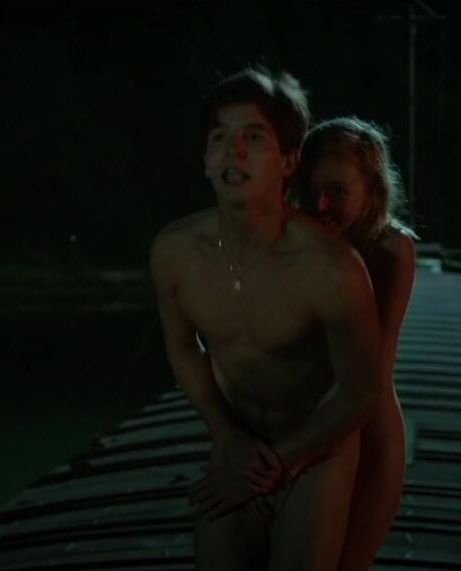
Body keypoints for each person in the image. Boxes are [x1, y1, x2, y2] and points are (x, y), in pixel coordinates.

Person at [149, 67, 385, 570]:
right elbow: (182, 346)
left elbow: (361, 392)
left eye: (254, 138)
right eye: (220, 138)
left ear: (288, 161)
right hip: (238, 440)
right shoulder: (174, 253)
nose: (234, 152)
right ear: (205, 160)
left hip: (317, 447)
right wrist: (224, 435)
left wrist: (283, 460)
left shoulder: (331, 267)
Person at [289, 116, 417, 570]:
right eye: (313, 190)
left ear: (372, 191)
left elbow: (366, 375)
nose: (321, 204)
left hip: (368, 438)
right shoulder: (294, 242)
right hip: (301, 430)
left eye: (338, 191)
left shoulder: (390, 251)